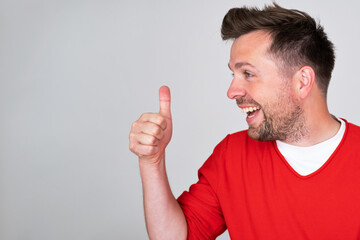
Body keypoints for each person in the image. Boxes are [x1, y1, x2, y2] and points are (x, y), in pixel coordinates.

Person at [129, 4, 360, 240]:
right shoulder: (231, 156)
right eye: (233, 74)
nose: (232, 91)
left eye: (248, 74)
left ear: (302, 82)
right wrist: (152, 162)